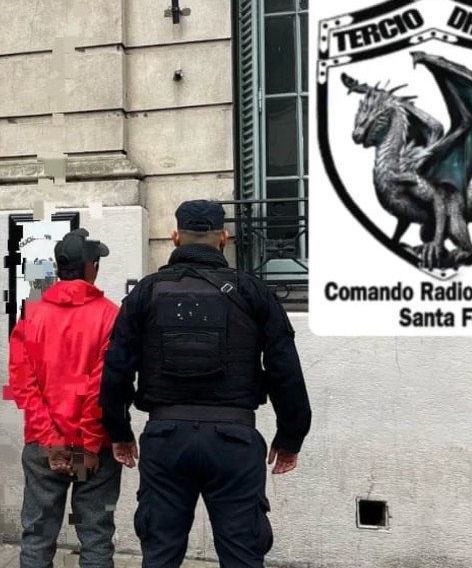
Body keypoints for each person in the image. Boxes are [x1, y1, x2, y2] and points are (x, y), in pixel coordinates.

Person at [99, 200, 312, 568]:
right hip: (233, 442)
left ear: (175, 238)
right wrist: (290, 436)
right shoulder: (254, 292)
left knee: (161, 555)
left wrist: (119, 432)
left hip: (166, 440)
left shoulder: (146, 293)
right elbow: (284, 370)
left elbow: (117, 368)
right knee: (243, 555)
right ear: (224, 239)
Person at [8, 228, 122, 568]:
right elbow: (104, 387)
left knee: (37, 538)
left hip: (44, 449)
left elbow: (22, 384)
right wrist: (86, 444)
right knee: (96, 537)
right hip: (94, 449)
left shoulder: (32, 314)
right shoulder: (109, 315)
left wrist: (52, 439)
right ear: (90, 267)